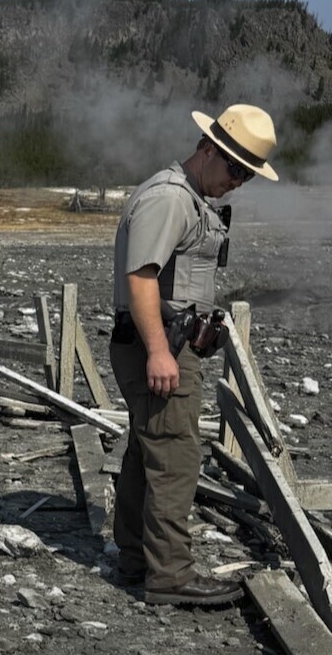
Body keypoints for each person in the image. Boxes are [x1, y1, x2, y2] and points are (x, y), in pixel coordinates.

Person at [110, 104, 278, 606]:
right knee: (176, 455)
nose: (239, 181)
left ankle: (138, 559)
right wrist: (160, 351)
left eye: (247, 174)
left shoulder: (190, 198)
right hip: (157, 344)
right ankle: (170, 577)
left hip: (166, 340)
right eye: (235, 169)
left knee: (149, 450)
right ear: (208, 149)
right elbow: (140, 278)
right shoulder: (170, 198)